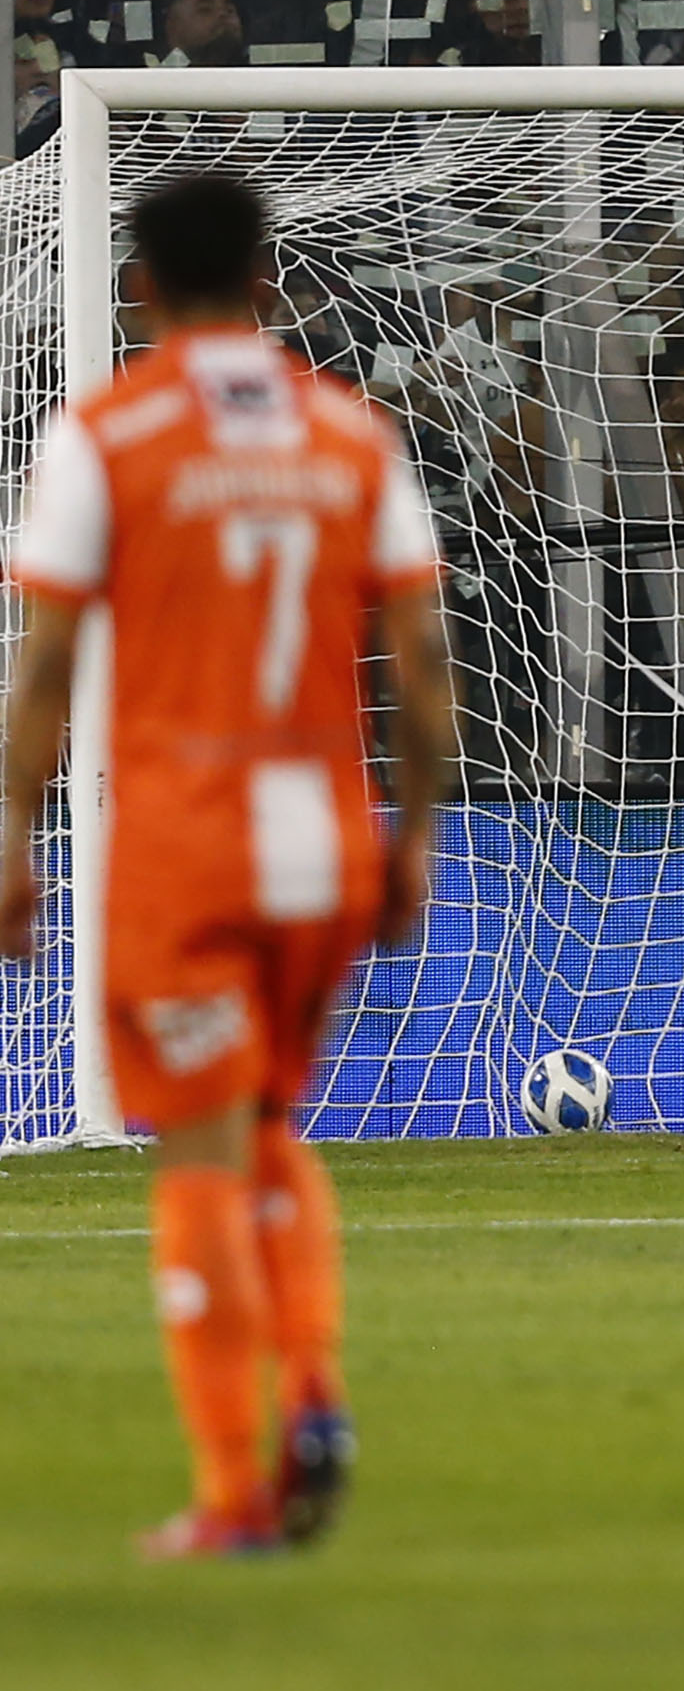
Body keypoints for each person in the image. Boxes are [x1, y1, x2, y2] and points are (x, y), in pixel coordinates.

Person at [0, 172, 460, 1556]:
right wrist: (418, 839)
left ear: (136, 284)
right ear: (268, 275)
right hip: (325, 840)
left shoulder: (108, 434)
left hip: (187, 848)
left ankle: (227, 1489)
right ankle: (314, 1388)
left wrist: (13, 832)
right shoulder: (350, 431)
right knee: (266, 1125)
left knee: (200, 1149)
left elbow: (46, 668)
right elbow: (426, 669)